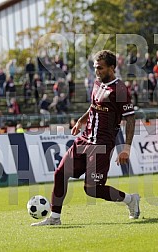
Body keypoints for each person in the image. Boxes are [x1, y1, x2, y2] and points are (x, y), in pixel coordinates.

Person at [31, 50, 140, 226]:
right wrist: (81, 121)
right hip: (85, 138)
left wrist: (126, 148)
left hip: (101, 144)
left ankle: (130, 200)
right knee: (60, 173)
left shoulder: (120, 89)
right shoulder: (97, 83)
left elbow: (130, 118)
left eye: (101, 68)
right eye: (96, 67)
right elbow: (94, 106)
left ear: (112, 68)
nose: (97, 71)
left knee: (92, 189)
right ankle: (55, 218)